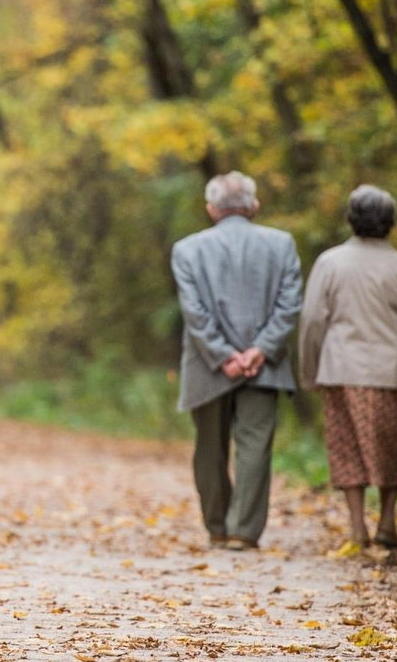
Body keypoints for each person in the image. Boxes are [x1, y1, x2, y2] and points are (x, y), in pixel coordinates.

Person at [170, 171, 302, 551]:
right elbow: (290, 305)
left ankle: (217, 526)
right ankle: (243, 530)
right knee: (255, 446)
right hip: (266, 365)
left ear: (212, 209)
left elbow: (194, 313)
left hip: (207, 366)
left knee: (209, 447)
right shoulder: (282, 244)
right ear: (254, 206)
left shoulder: (187, 249)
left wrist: (223, 354)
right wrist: (260, 350)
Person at [298, 185, 397, 550]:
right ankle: (387, 523)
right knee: (390, 448)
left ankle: (357, 528)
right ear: (391, 223)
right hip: (389, 373)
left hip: (340, 370)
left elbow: (311, 321)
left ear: (351, 219)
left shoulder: (329, 262)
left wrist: (309, 370)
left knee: (346, 448)